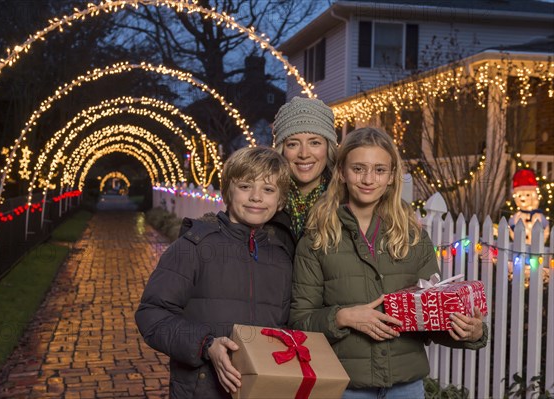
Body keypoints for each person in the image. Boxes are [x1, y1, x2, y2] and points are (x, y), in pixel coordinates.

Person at [289, 127, 488, 398]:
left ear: (392, 176)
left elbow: (431, 318)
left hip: (406, 388)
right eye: (358, 168)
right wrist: (342, 317)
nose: (369, 179)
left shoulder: (413, 235)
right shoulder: (318, 237)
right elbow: (300, 321)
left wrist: (471, 332)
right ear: (342, 173)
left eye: (379, 170)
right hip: (345, 388)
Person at [135, 147, 293, 399]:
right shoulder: (194, 246)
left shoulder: (281, 257)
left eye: (268, 189)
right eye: (245, 186)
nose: (256, 197)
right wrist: (206, 345)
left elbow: (282, 327)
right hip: (202, 390)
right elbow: (152, 314)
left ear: (281, 200)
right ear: (227, 191)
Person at [272, 96, 338, 245]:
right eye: (293, 144)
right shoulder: (263, 198)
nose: (304, 154)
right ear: (281, 151)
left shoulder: (346, 199)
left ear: (328, 148)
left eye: (314, 143)